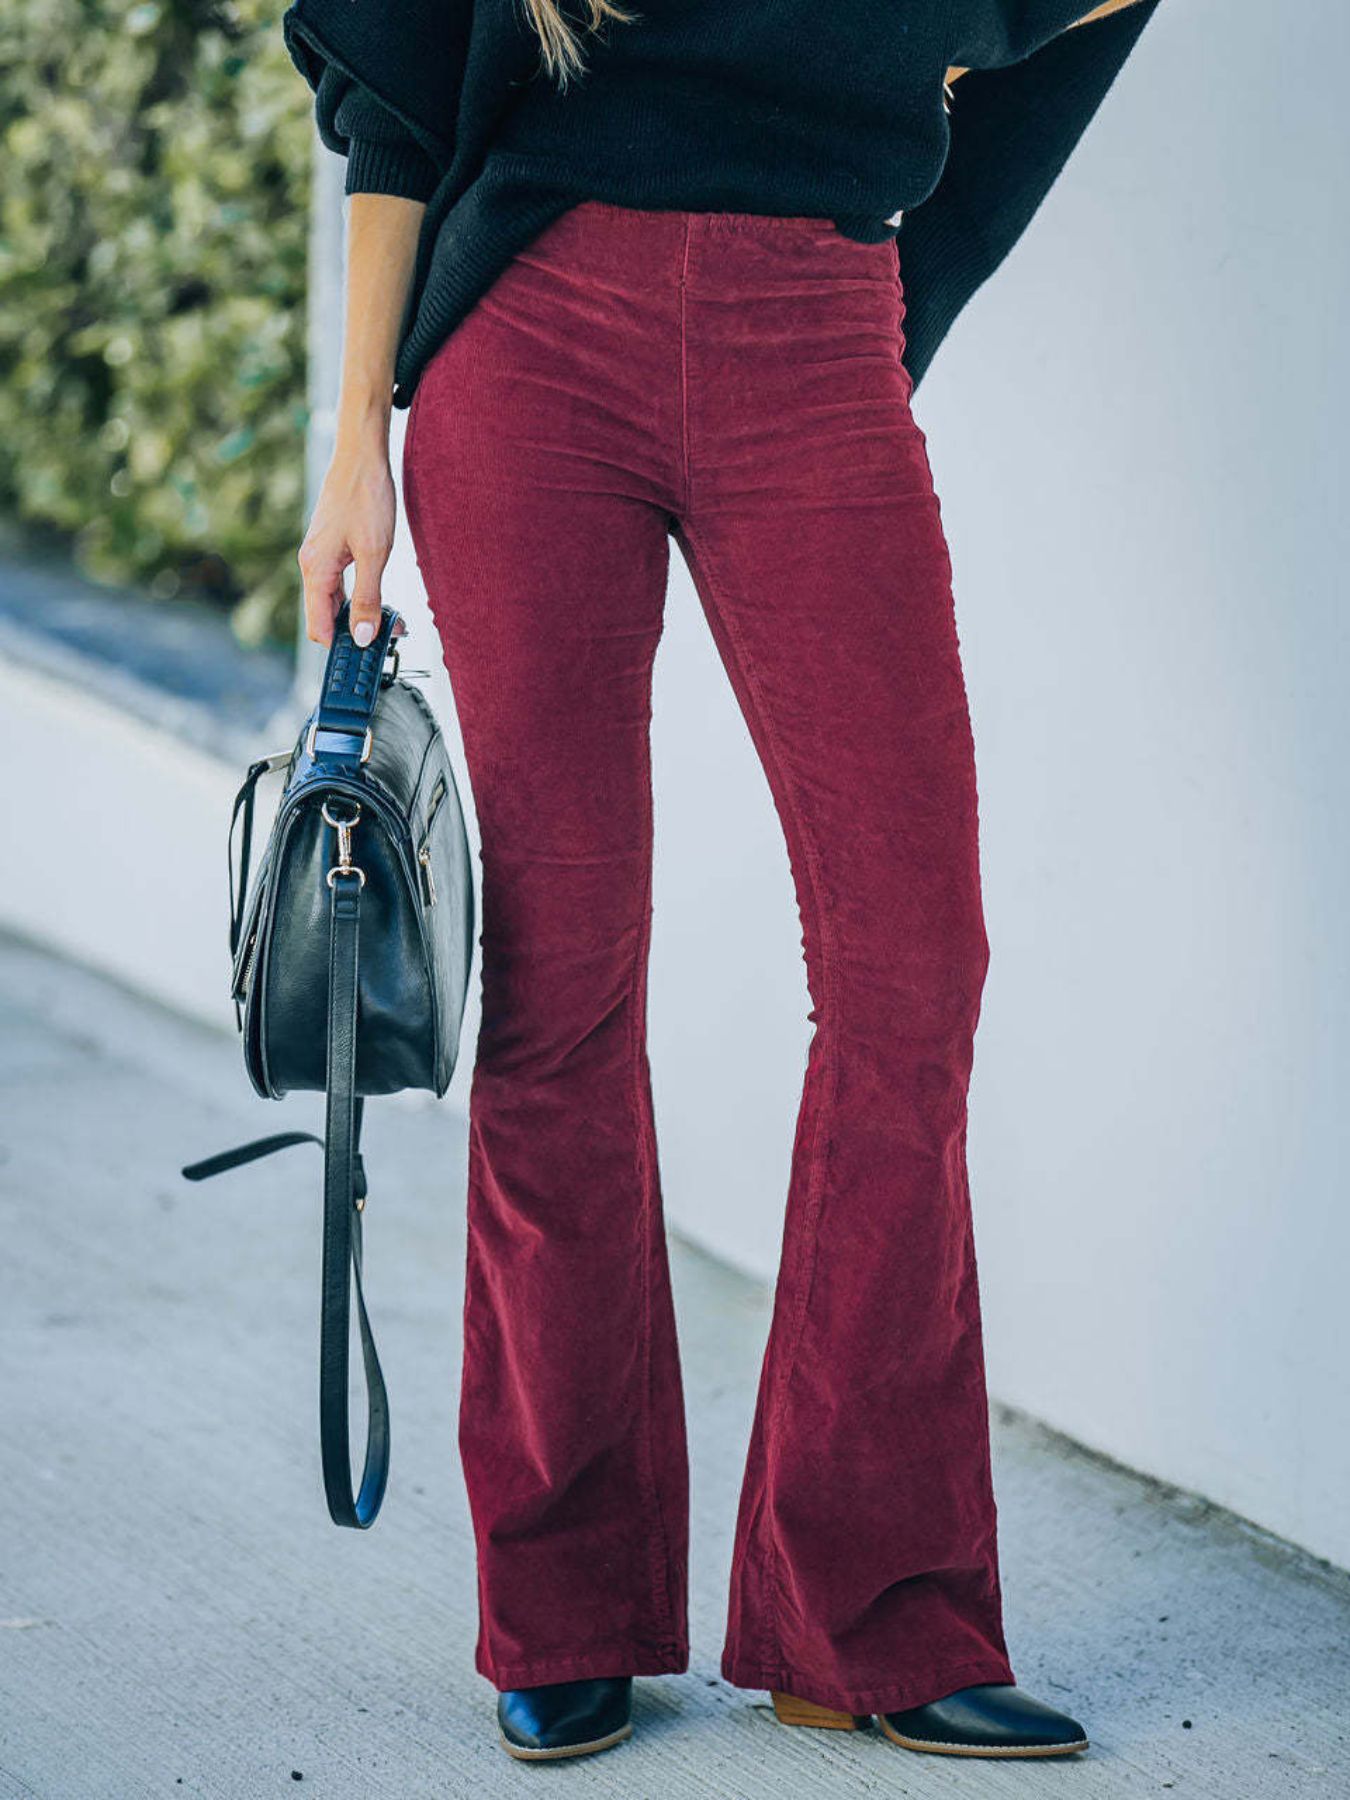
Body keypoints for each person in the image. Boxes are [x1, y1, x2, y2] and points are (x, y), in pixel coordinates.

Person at [286, 0, 1160, 1765]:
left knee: (913, 972)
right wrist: (356, 439)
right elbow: (397, 93)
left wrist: (894, 306)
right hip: (529, 344)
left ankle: (869, 1615)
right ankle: (563, 1608)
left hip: (816, 334)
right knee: (559, 988)